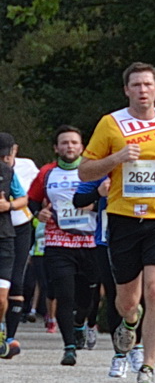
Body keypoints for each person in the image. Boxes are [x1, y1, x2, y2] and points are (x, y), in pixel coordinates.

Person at [79, 63, 155, 383]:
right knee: (128, 301)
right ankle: (130, 322)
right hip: (123, 218)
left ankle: (147, 366)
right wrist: (116, 158)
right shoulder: (111, 124)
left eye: (148, 84)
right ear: (127, 90)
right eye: (136, 85)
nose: (143, 90)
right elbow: (85, 172)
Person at [28, 126, 104, 366]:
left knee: (89, 297)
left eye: (73, 142)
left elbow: (110, 199)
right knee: (64, 294)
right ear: (56, 148)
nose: (69, 146)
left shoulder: (93, 170)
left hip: (90, 241)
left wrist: (96, 202)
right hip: (57, 241)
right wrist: (39, 214)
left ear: (82, 147)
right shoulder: (47, 173)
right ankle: (69, 347)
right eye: (64, 143)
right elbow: (31, 201)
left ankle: (81, 322)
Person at [3, 139, 38, 356]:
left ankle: (10, 337)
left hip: (19, 227)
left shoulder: (26, 166)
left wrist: (10, 204)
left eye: (9, 152)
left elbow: (32, 196)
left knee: (17, 280)